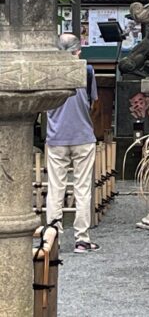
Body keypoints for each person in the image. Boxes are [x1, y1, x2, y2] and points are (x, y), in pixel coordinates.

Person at [45, 33, 100, 253]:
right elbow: (93, 103)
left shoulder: (49, 72)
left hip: (56, 136)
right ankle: (82, 239)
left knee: (55, 187)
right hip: (83, 137)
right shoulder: (86, 71)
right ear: (78, 51)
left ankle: (52, 236)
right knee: (83, 188)